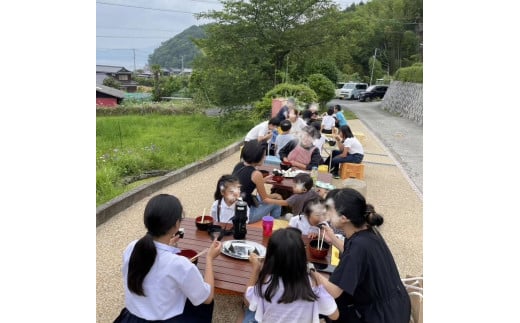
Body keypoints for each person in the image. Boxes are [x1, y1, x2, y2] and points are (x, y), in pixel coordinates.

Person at [309, 188, 411, 323]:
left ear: (344, 218)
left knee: (330, 300)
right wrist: (332, 238)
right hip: (398, 304)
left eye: (329, 210)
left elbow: (334, 291)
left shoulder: (358, 247)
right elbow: (353, 253)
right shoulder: (367, 230)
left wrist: (311, 270)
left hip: (381, 316)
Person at [116, 194, 222, 323]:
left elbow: (154, 266)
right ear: (177, 224)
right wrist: (210, 259)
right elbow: (207, 297)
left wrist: (167, 245)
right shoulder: (179, 264)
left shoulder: (132, 247)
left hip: (131, 318)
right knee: (203, 304)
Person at [242, 227, 339, 323]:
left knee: (250, 314)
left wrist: (256, 269)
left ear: (270, 257)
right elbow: (335, 315)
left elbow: (247, 300)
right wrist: (311, 270)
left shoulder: (266, 284)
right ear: (302, 256)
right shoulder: (313, 288)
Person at [232, 140, 283, 223]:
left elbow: (245, 183)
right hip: (245, 215)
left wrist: (262, 181)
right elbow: (265, 199)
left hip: (233, 207)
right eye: (263, 156)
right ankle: (275, 227)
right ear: (257, 158)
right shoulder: (256, 174)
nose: (265, 158)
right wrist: (282, 199)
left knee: (271, 198)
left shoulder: (239, 165)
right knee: (277, 201)